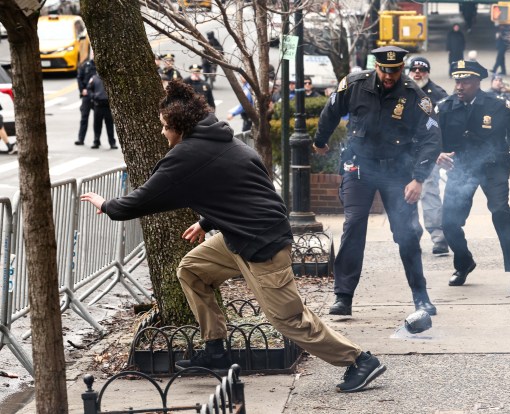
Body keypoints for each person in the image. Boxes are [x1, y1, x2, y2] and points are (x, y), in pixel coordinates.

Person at [80, 80, 386, 394]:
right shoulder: (220, 137)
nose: (162, 133)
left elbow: (145, 198)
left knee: (289, 320)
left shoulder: (188, 155)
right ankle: (216, 352)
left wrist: (108, 205)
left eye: (164, 127)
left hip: (262, 244)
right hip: (238, 237)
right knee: (192, 269)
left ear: (179, 126)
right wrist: (207, 221)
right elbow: (237, 188)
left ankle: (360, 361)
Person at [313, 46, 442, 316]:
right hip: (359, 168)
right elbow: (332, 110)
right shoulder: (355, 84)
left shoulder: (414, 95)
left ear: (401, 69)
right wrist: (320, 141)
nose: (389, 77)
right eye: (385, 70)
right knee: (354, 225)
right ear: (377, 67)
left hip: (397, 172)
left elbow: (432, 138)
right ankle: (343, 296)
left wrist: (418, 179)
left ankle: (421, 296)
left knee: (406, 233)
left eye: (394, 71)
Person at [436, 60, 510, 294]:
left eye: (466, 81)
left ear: (478, 82)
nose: (459, 86)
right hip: (461, 168)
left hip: (494, 167)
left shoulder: (498, 104)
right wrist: (436, 154)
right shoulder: (445, 107)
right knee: (449, 222)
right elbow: (428, 135)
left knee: (501, 213)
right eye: (457, 81)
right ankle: (464, 263)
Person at [407, 56, 449, 256]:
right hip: (404, 152)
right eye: (414, 69)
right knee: (407, 194)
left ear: (428, 73)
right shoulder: (401, 91)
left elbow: (444, 126)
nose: (417, 73)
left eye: (422, 70)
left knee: (429, 192)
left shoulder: (438, 94)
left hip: (428, 150)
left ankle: (438, 236)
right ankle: (412, 234)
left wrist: (440, 150)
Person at [87, 71, 117, 150]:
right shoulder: (94, 78)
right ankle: (96, 141)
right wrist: (93, 96)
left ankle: (112, 142)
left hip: (108, 106)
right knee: (97, 125)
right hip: (98, 105)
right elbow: (89, 89)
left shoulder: (109, 78)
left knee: (110, 125)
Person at [75, 55, 97, 146]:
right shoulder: (85, 65)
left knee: (98, 119)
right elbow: (79, 78)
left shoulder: (102, 66)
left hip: (97, 96)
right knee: (84, 118)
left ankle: (97, 141)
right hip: (87, 95)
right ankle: (81, 139)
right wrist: (82, 89)